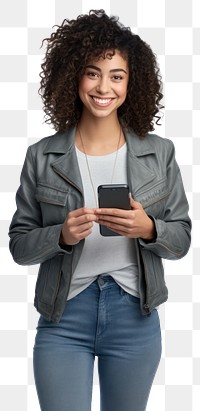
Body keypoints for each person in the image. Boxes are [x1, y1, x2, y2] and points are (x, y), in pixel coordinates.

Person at [9, 9, 191, 411]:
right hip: (63, 317)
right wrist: (60, 235)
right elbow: (20, 246)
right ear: (73, 76)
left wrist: (148, 228)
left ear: (132, 82)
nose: (103, 86)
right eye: (92, 73)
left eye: (117, 75)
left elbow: (181, 241)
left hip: (134, 317)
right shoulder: (42, 156)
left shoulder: (158, 152)